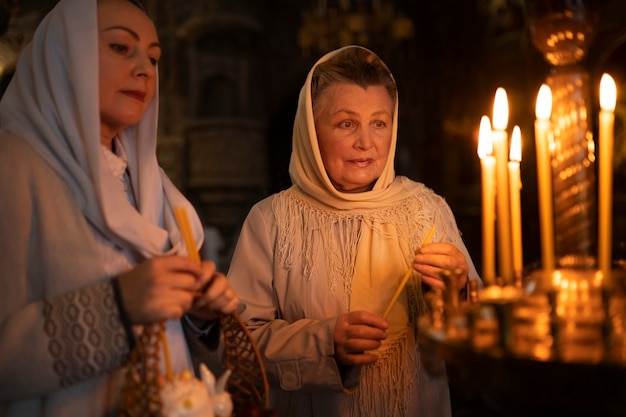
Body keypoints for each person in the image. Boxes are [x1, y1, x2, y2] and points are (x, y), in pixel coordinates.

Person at [0, 0, 239, 415]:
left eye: (153, 57)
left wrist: (198, 316)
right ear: (65, 55)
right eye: (120, 48)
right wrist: (117, 307)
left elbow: (174, 340)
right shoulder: (12, 168)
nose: (145, 69)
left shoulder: (154, 185)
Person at [227, 45, 481, 417]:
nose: (366, 142)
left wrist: (455, 293)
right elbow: (236, 346)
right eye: (347, 123)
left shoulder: (428, 209)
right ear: (312, 132)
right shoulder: (271, 220)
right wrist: (324, 343)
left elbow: (479, 334)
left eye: (379, 122)